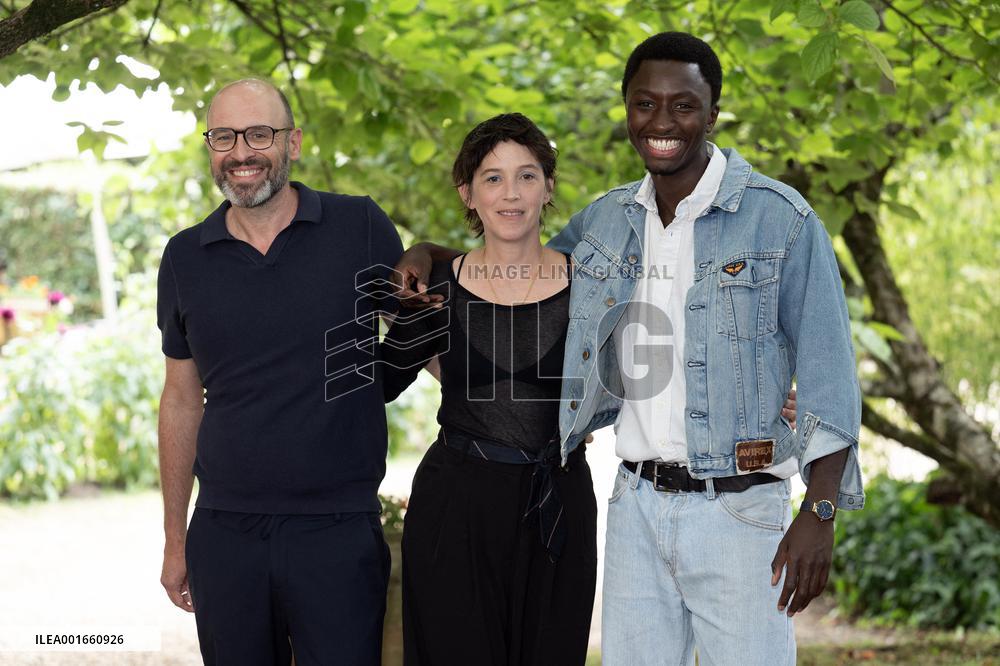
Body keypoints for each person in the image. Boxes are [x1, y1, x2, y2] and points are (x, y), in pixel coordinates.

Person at [394, 32, 862, 666]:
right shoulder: (607, 220)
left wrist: (822, 508)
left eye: (682, 105)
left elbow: (831, 369)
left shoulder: (780, 220)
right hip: (634, 507)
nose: (662, 122)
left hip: (740, 510)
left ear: (712, 111)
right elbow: (519, 261)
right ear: (627, 112)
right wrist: (426, 254)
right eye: (645, 104)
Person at [156, 78, 402, 666]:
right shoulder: (184, 256)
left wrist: (512, 401)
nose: (241, 152)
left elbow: (423, 333)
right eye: (224, 136)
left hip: (339, 528)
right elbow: (182, 399)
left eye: (259, 134)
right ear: (210, 148)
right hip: (224, 532)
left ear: (292, 143)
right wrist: (174, 540)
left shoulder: (359, 226)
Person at [380, 113, 598, 666]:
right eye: (492, 178)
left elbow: (653, 375)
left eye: (527, 176)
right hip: (456, 504)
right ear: (468, 193)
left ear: (549, 188)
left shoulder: (593, 287)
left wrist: (772, 403)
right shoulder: (438, 291)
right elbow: (378, 381)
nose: (511, 193)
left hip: (559, 501)